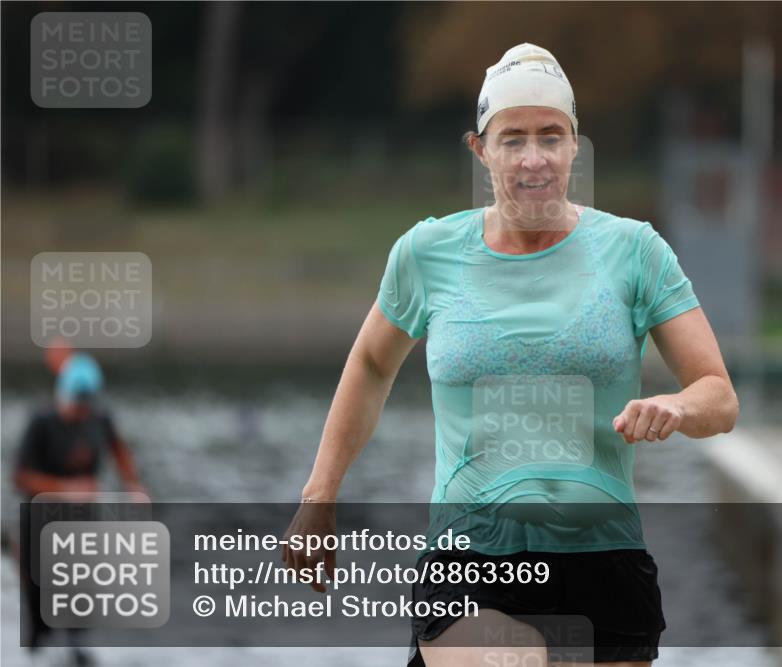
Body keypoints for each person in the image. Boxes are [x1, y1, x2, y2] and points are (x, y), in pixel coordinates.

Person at [283, 43, 738, 667]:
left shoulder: (635, 251)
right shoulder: (427, 254)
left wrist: (677, 408)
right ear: (481, 149)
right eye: (512, 139)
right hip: (470, 556)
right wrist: (320, 494)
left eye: (550, 137)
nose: (533, 159)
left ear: (575, 145)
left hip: (605, 561)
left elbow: (719, 395)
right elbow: (371, 364)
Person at [14, 352, 145, 664]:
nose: (81, 413)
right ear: (63, 396)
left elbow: (118, 449)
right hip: (42, 519)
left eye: (86, 406)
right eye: (76, 405)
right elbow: (20, 477)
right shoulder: (42, 422)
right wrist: (64, 489)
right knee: (38, 602)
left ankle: (76, 644)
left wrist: (134, 485)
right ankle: (36, 646)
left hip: (82, 519)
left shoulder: (99, 419)